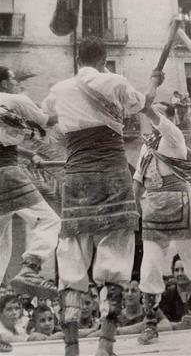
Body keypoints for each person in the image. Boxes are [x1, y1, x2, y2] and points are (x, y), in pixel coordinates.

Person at [42, 36, 164, 356]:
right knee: (115, 258)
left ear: (77, 59)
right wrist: (154, 81)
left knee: (71, 258)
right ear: (104, 58)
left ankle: (71, 349)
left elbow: (46, 123)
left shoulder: (59, 90)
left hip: (77, 175)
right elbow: (145, 103)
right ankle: (105, 346)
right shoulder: (116, 81)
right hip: (112, 173)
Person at [133, 101, 191, 346]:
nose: (153, 116)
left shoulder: (173, 136)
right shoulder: (145, 147)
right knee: (150, 265)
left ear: (169, 117)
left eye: (160, 112)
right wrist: (134, 210)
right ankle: (150, 322)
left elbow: (152, 114)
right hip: (153, 208)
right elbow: (138, 181)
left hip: (180, 204)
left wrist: (146, 103)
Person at [0, 66, 61, 300]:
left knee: (2, 245)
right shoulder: (14, 99)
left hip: (5, 166)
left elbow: (5, 140)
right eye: (13, 79)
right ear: (4, 84)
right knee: (50, 221)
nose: (17, 83)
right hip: (7, 173)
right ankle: (30, 268)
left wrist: (27, 155)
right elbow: (47, 121)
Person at [160, 256, 191, 330]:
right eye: (176, 270)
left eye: (184, 269)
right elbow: (161, 322)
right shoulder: (165, 296)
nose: (180, 273)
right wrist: (179, 325)